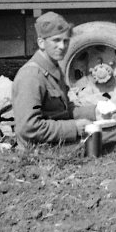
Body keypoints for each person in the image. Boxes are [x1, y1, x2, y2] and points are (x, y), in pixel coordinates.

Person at [12, 12, 98, 148]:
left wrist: (96, 112)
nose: (62, 46)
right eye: (56, 41)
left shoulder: (53, 68)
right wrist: (74, 128)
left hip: (57, 140)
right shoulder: (31, 76)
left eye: (65, 41)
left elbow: (63, 111)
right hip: (42, 149)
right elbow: (28, 128)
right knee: (115, 134)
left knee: (114, 130)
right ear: (41, 43)